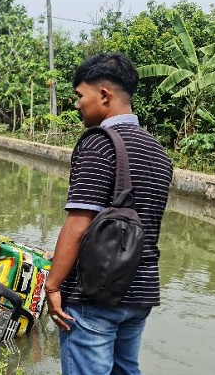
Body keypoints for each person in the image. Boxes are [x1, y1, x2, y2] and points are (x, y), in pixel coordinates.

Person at [45, 53, 173, 375]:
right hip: (141, 292)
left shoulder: (99, 144)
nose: (76, 105)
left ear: (104, 95)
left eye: (79, 96)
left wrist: (52, 286)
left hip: (95, 295)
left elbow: (78, 224)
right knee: (126, 370)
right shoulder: (159, 151)